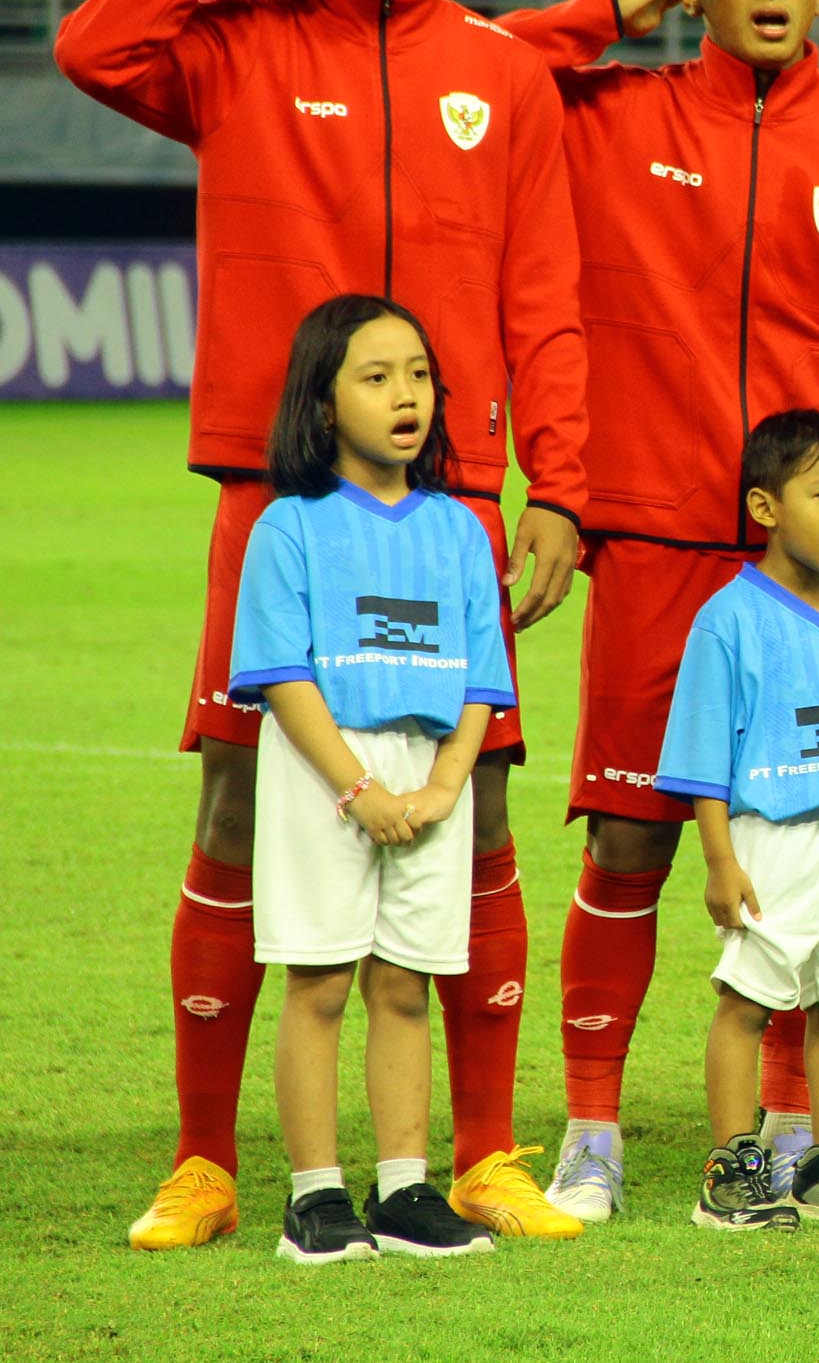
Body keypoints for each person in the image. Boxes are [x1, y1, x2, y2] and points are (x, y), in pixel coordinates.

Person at [57, 0, 587, 1250]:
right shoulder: (235, 46)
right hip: (274, 492)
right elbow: (91, 42)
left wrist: (567, 490)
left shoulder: (506, 71)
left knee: (473, 809)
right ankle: (205, 1161)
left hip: (459, 505)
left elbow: (546, 298)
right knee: (234, 803)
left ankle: (478, 1151)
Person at [497, 0, 819, 1221]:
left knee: (810, 838)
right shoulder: (609, 116)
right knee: (629, 838)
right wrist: (616, 9)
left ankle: (796, 1137)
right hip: (653, 542)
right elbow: (492, 65)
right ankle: (593, 1128)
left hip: (809, 574)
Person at [232, 295, 515, 1263]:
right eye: (377, 376)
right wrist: (361, 791)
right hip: (326, 772)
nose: (408, 396)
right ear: (320, 406)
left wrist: (443, 789)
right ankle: (313, 1199)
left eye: (420, 375)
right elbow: (281, 675)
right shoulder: (288, 529)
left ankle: (403, 1190)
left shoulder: (461, 529)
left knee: (406, 986)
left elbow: (484, 675)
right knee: (317, 982)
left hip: (429, 778)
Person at [655, 410, 819, 1230]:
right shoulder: (729, 617)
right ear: (766, 507)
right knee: (749, 1000)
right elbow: (701, 751)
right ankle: (732, 1170)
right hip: (773, 836)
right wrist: (720, 859)